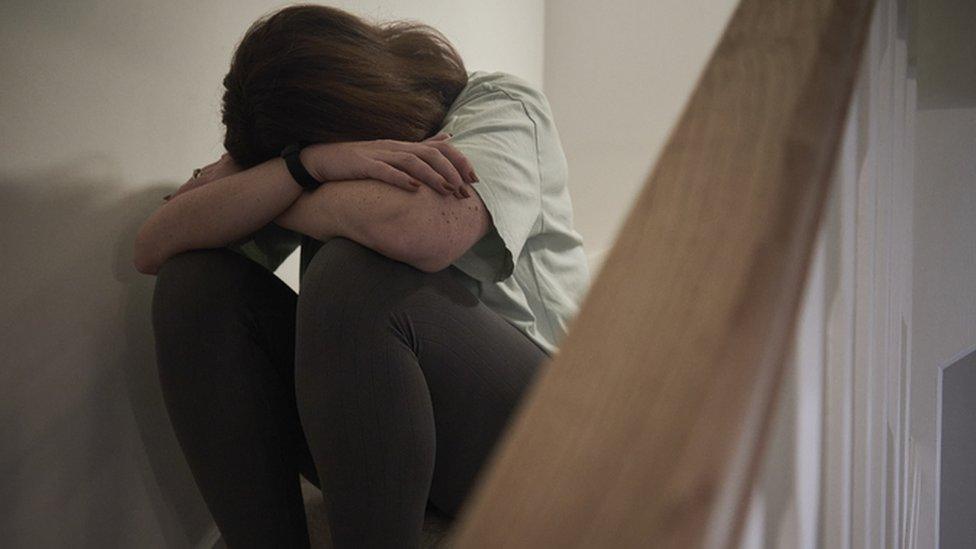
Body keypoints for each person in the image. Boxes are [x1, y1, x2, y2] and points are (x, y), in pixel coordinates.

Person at [136, 4, 590, 548]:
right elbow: (154, 246)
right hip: (395, 429)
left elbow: (425, 230)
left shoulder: (501, 103)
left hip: (552, 437)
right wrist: (306, 167)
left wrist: (281, 186)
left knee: (358, 274)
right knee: (198, 281)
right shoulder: (318, 164)